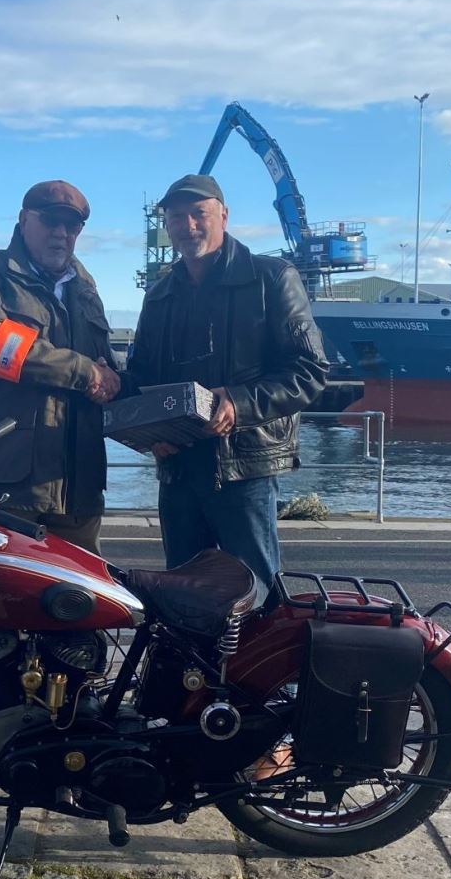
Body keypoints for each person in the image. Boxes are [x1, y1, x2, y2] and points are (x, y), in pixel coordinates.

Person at [129, 173, 329, 588]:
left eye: (198, 213)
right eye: (176, 217)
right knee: (182, 597)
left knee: (256, 596)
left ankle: (258, 657)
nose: (187, 226)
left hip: (243, 470)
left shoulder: (271, 279)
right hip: (178, 471)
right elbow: (141, 379)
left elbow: (309, 371)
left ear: (223, 214)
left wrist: (237, 402)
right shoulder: (159, 296)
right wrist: (147, 435)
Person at [0, 180, 124, 555]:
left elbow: (105, 366)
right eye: (50, 221)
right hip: (6, 488)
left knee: (81, 604)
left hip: (78, 486)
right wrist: (87, 372)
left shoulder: (86, 288)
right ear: (24, 219)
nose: (61, 233)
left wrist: (111, 381)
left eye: (72, 226)